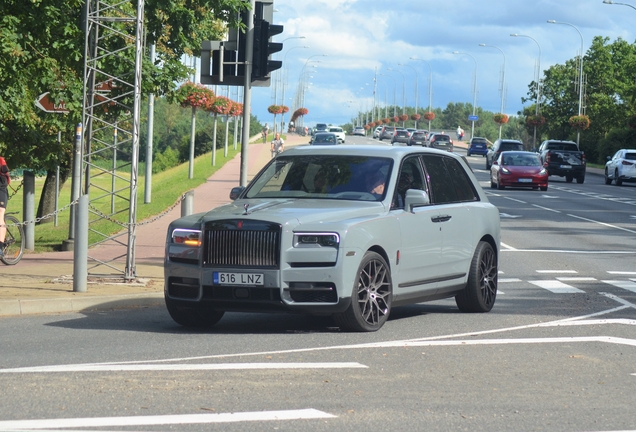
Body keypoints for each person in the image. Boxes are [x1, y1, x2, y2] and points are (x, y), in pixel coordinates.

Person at [0, 156, 10, 258]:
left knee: (0, 214)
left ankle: (0, 247)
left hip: (1, 190)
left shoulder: (0, 161)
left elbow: (5, 180)